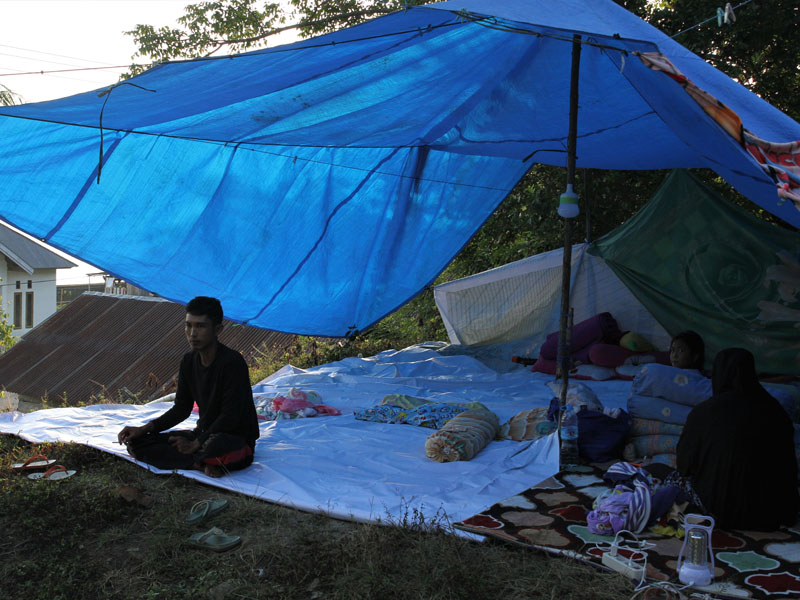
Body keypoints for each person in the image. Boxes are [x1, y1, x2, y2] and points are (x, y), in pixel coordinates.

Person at [118, 296, 259, 478]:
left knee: (215, 446)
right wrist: (144, 428)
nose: (192, 333)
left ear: (217, 329)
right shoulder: (188, 361)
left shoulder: (232, 363)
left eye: (200, 326)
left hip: (232, 438)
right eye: (188, 325)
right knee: (138, 442)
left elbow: (230, 417)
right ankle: (197, 463)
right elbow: (181, 409)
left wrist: (197, 443)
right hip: (203, 434)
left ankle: (199, 458)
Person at [676, 347, 799, 530]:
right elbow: (788, 470)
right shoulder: (776, 411)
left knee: (668, 480)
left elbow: (684, 464)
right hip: (771, 514)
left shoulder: (704, 412)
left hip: (717, 512)